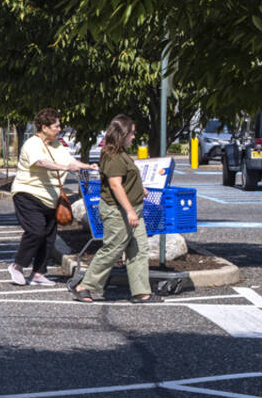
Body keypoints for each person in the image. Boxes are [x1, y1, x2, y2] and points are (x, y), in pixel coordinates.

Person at [74, 114, 158, 303]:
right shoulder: (113, 157)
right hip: (118, 212)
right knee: (113, 249)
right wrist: (129, 210)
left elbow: (125, 181)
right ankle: (84, 286)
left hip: (134, 209)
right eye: (132, 133)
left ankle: (141, 292)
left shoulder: (120, 154)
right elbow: (115, 185)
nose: (134, 137)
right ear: (122, 134)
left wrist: (139, 189)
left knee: (139, 249)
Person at [9, 108, 95, 285]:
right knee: (36, 230)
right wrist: (64, 168)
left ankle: (38, 273)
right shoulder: (32, 144)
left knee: (49, 236)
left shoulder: (57, 146)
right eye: (56, 126)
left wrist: (88, 166)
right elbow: (41, 162)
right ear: (44, 127)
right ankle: (17, 266)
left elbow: (70, 162)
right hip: (28, 193)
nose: (59, 128)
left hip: (51, 198)